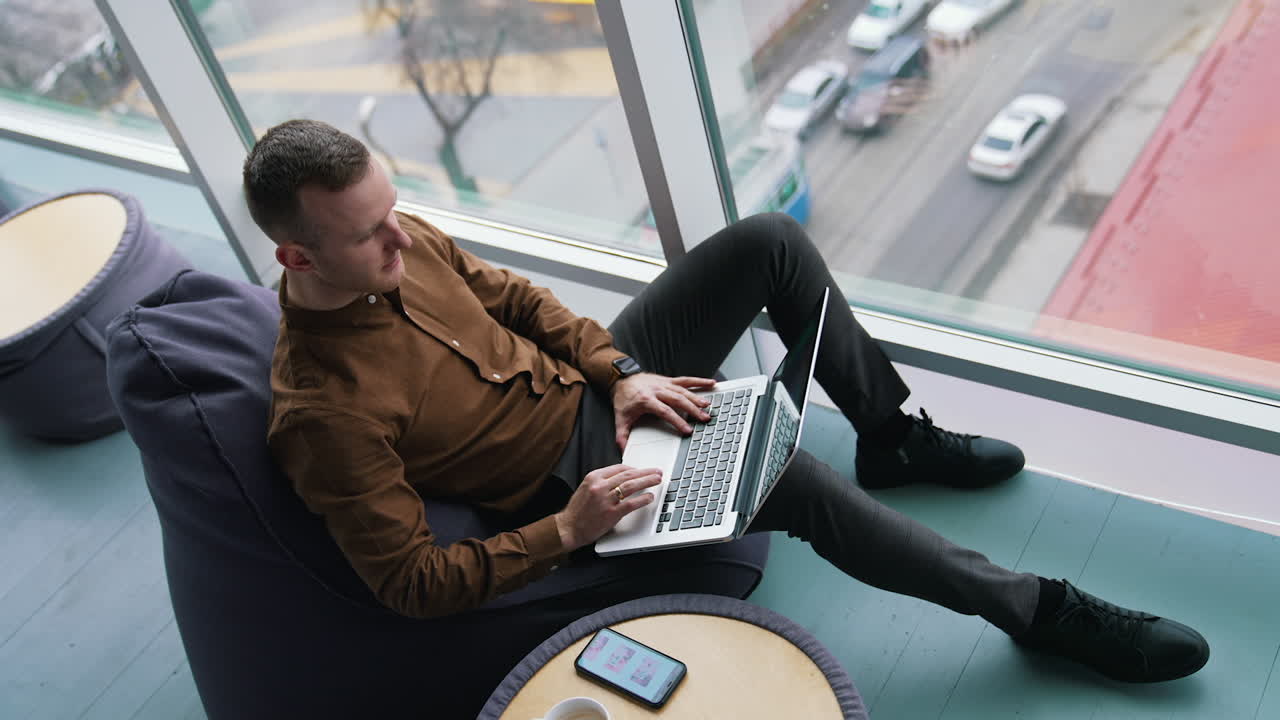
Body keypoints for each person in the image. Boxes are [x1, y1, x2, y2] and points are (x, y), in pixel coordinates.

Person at [246, 119, 1209, 684]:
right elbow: (409, 583)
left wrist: (621, 371)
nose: (403, 243)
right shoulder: (324, 414)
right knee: (800, 483)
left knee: (767, 242)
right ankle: (1041, 612)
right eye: (372, 237)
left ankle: (892, 436)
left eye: (394, 213)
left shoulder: (397, 235)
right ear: (297, 256)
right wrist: (571, 529)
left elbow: (516, 301)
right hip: (578, 482)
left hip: (600, 390)